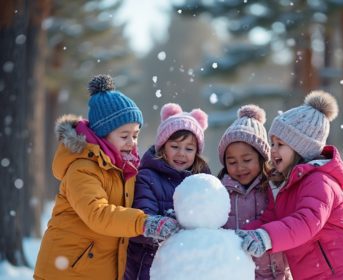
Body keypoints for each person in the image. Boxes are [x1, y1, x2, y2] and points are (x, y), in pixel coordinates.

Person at [34, 75, 179, 280]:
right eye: (124, 135)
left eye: (135, 135)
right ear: (103, 135)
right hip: (65, 272)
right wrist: (144, 223)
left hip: (93, 271)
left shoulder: (123, 170)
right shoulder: (83, 168)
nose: (132, 142)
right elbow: (98, 213)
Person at [237, 91, 343, 279]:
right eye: (272, 143)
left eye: (280, 144)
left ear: (301, 148)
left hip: (341, 273)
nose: (272, 150)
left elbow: (307, 221)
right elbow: (270, 219)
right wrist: (235, 237)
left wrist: (266, 237)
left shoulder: (320, 181)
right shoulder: (285, 186)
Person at [124, 103, 211, 280]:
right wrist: (160, 225)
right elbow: (142, 217)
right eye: (175, 146)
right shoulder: (147, 177)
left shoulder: (201, 182)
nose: (181, 154)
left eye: (189, 149)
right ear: (163, 146)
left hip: (183, 267)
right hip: (147, 265)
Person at [217, 104, 292, 280]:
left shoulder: (276, 187)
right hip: (239, 274)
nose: (240, 167)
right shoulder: (221, 193)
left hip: (279, 274)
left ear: (261, 157)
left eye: (247, 159)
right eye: (232, 162)